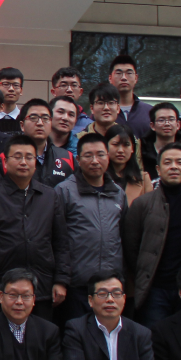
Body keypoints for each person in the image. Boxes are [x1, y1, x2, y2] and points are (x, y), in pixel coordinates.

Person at [0, 135, 70, 319]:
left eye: (29, 157)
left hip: (43, 285)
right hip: (4, 285)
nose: (23, 162)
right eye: (17, 157)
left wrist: (61, 280)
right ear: (5, 162)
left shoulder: (50, 196)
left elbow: (61, 242)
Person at [125, 144, 181, 326]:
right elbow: (130, 246)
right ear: (158, 169)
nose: (174, 167)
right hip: (154, 288)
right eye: (168, 162)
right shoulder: (142, 204)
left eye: (179, 162)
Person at [55, 132, 126, 321]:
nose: (95, 161)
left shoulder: (118, 193)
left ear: (108, 157)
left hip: (110, 285)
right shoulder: (64, 191)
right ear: (78, 160)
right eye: (88, 155)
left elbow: (124, 235)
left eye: (100, 154)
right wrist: (60, 279)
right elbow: (56, 238)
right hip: (76, 284)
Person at [18, 98, 74, 187]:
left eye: (45, 118)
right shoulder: (8, 157)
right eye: (33, 118)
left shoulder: (67, 157)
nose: (40, 123)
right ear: (22, 125)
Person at [108, 54, 154, 139]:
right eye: (119, 73)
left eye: (129, 73)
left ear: (136, 78)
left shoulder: (149, 112)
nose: (124, 78)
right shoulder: (103, 111)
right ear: (110, 78)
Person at [106, 123, 152, 205]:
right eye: (115, 144)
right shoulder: (97, 177)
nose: (120, 150)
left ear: (132, 148)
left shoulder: (143, 179)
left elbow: (150, 209)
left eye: (126, 145)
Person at [141, 102, 181, 178]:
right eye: (161, 120)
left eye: (171, 119)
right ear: (152, 126)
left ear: (178, 124)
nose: (167, 124)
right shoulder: (142, 151)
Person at [50, 67, 91, 132]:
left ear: (80, 92)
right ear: (53, 92)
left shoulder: (90, 125)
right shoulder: (43, 121)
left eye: (74, 85)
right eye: (64, 85)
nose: (69, 90)